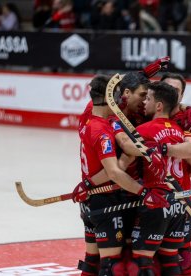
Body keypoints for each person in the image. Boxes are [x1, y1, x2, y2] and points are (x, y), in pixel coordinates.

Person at [72, 74, 170, 276]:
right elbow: (114, 172)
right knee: (110, 267)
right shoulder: (102, 130)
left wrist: (86, 184)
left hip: (91, 199)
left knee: (92, 262)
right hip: (105, 200)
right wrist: (144, 192)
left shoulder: (87, 116)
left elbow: (102, 88)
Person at [119, 81, 186, 275]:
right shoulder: (178, 131)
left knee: (142, 259)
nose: (144, 103)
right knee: (171, 258)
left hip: (155, 200)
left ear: (158, 106)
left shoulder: (145, 130)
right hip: (179, 202)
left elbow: (122, 165)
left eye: (148, 98)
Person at [160, 73, 191, 276]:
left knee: (183, 255)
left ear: (182, 94)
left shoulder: (189, 116)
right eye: (167, 88)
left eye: (176, 91)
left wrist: (162, 149)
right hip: (149, 194)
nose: (171, 93)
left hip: (179, 196)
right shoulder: (147, 112)